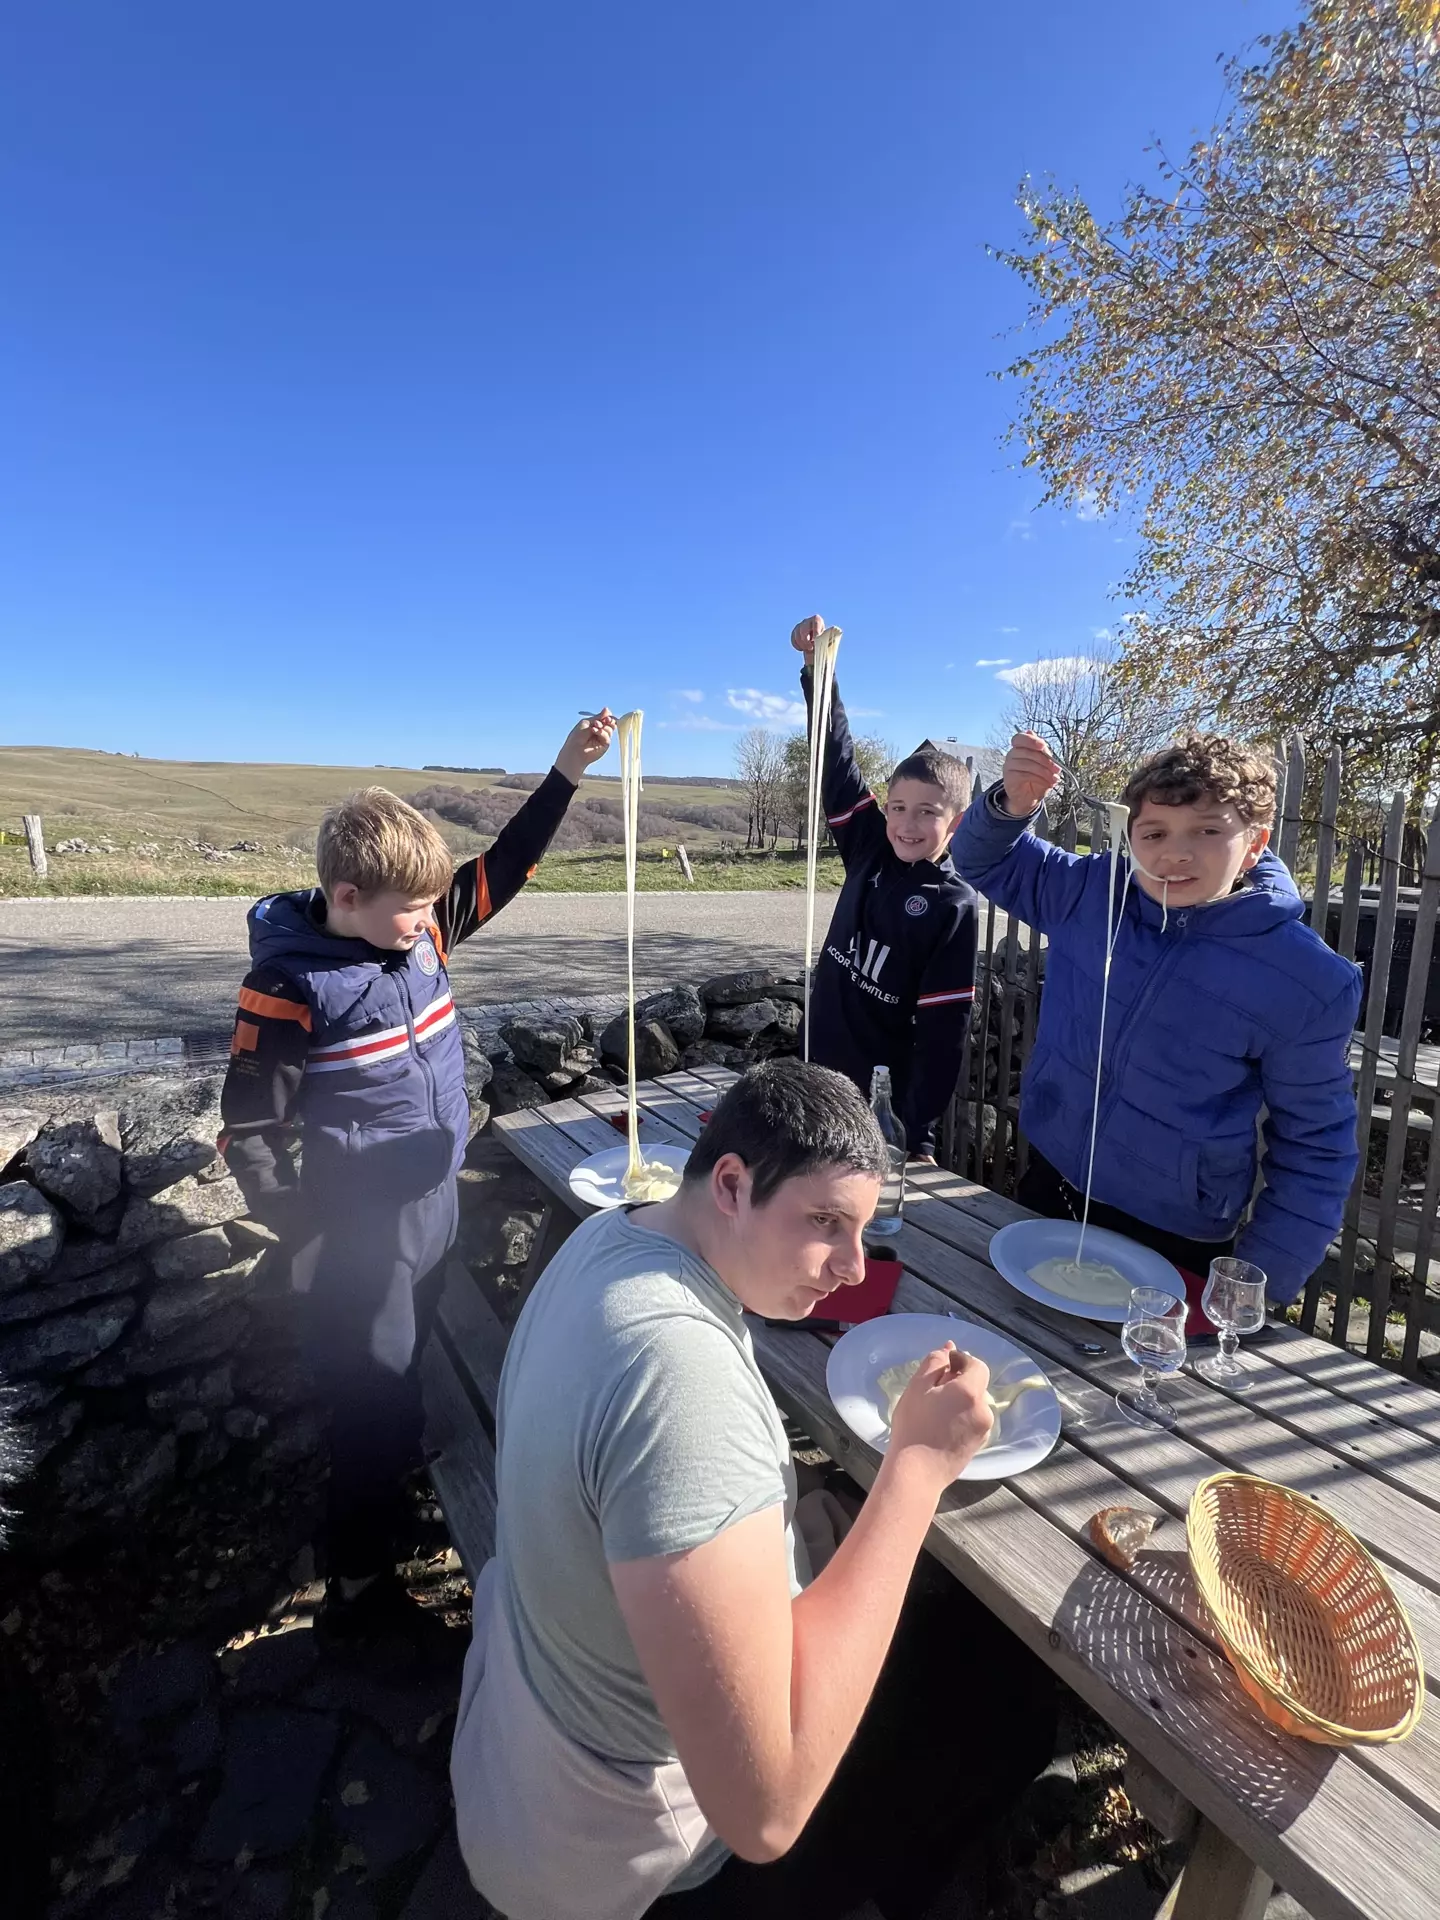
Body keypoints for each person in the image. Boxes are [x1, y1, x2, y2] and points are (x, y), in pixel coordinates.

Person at [451, 1059, 1056, 1920]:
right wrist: (917, 1468)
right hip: (646, 1858)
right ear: (731, 1184)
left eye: (862, 1231)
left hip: (533, 1732)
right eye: (823, 1223)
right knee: (1011, 1703)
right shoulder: (682, 1384)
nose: (852, 1269)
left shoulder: (611, 1236)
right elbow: (763, 1816)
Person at [218, 711, 615, 1635]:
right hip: (357, 1239)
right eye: (412, 908)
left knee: (410, 1373)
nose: (432, 921)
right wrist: (310, 1229)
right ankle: (358, 1588)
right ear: (347, 895)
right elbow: (251, 1130)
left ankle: (396, 1484)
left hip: (432, 1210)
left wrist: (565, 772)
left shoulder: (420, 934)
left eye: (434, 906)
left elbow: (503, 869)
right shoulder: (289, 986)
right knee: (371, 1403)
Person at [951, 729, 1363, 1309]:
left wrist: (1258, 1281)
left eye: (1208, 831)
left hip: (1176, 1230)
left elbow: (1316, 1146)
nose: (1175, 853)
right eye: (1154, 833)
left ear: (1254, 844)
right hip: (1051, 1182)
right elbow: (981, 858)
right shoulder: (1092, 892)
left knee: (1132, 1388)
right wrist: (1012, 804)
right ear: (1130, 834)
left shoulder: (1305, 979)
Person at [790, 614, 978, 1160]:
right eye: (898, 807)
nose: (907, 824)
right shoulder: (870, 845)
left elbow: (945, 1032)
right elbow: (837, 763)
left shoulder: (952, 905)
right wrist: (817, 670)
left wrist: (914, 1128)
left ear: (956, 823)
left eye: (926, 812)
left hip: (879, 1113)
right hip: (818, 1078)